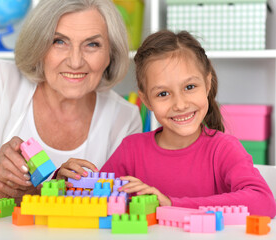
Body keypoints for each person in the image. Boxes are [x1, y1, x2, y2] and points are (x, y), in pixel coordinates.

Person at [0, 0, 142, 204]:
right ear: (39, 47)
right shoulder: (3, 81)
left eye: (92, 44)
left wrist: (54, 190)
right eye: (59, 41)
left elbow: (121, 204)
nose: (75, 61)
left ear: (111, 54)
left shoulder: (125, 117)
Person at [70, 30, 276, 217]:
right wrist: (67, 182)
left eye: (190, 86)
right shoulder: (131, 150)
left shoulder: (223, 149)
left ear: (207, 84)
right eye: (163, 94)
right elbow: (92, 201)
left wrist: (170, 204)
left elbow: (264, 203)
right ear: (147, 101)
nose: (179, 104)